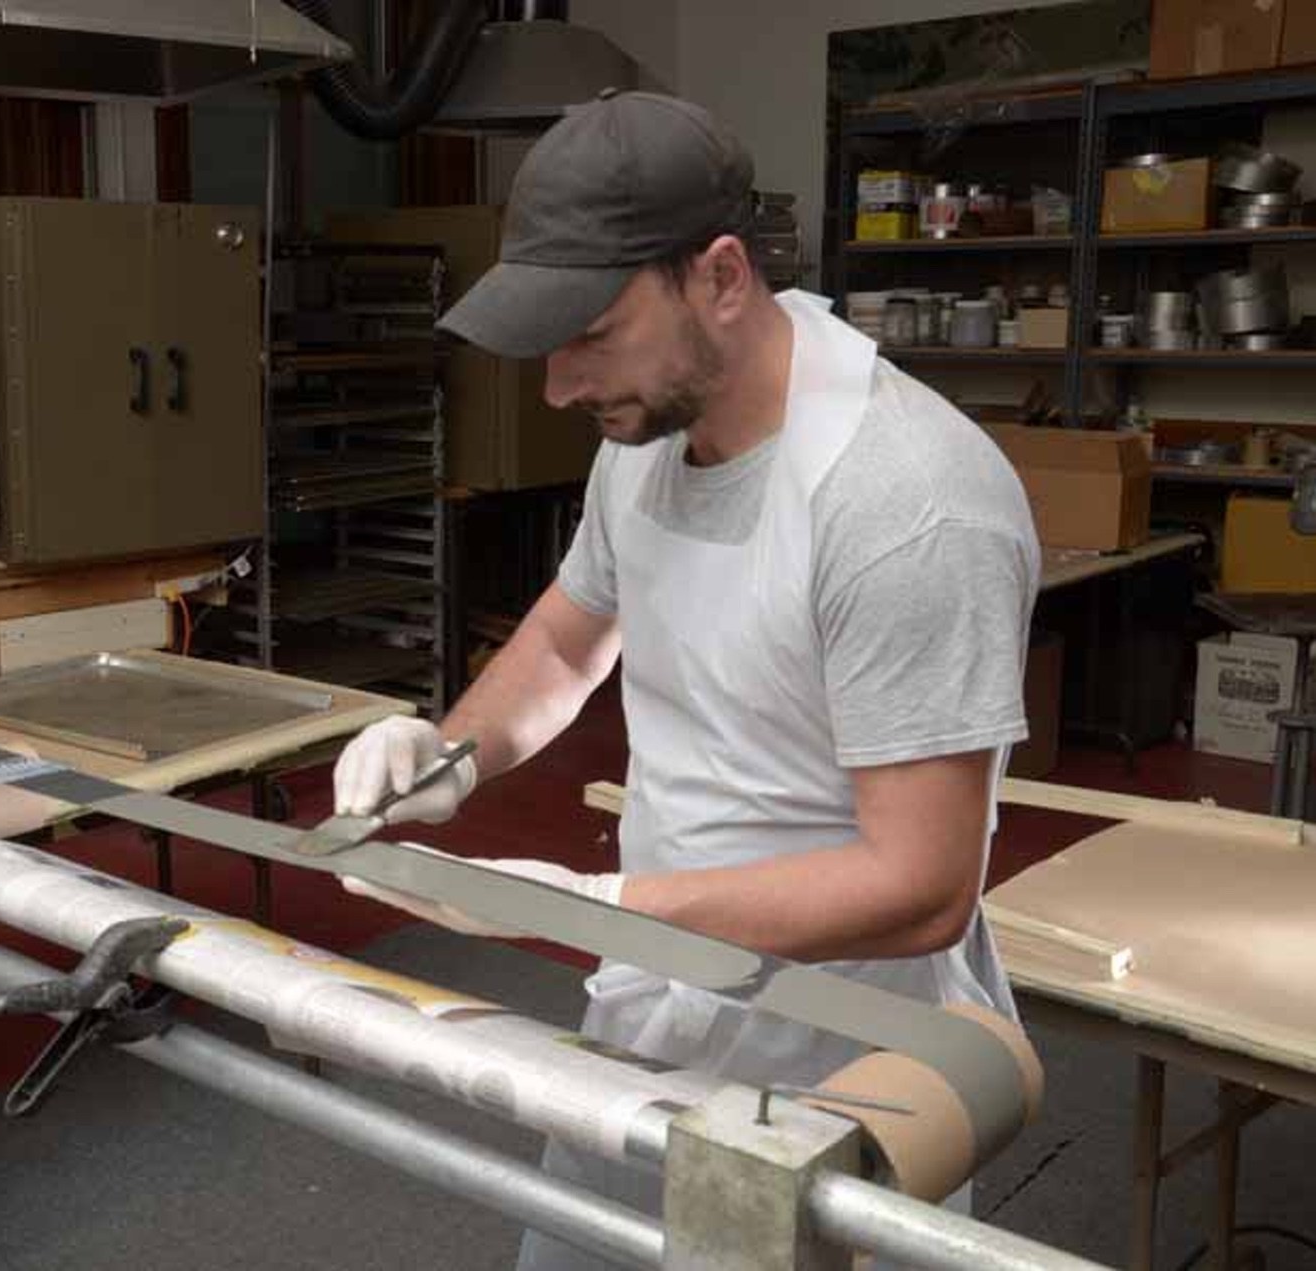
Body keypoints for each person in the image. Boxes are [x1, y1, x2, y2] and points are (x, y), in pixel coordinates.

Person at [330, 91, 1040, 1270]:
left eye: (591, 334)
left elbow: (921, 885)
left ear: (719, 277)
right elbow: (567, 640)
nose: (558, 386)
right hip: (658, 1000)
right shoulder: (649, 438)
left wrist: (592, 903)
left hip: (851, 1057)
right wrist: (448, 753)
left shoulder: (905, 502)